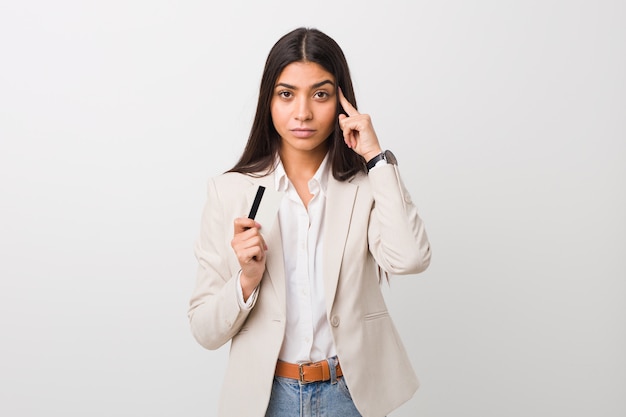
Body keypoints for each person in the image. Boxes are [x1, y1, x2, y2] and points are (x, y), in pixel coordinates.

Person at [188, 27, 431, 417]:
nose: (302, 112)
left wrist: (375, 158)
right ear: (269, 101)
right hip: (267, 400)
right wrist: (246, 281)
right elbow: (204, 329)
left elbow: (411, 259)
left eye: (320, 94)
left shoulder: (365, 187)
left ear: (342, 102)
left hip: (350, 397)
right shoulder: (230, 192)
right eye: (286, 94)